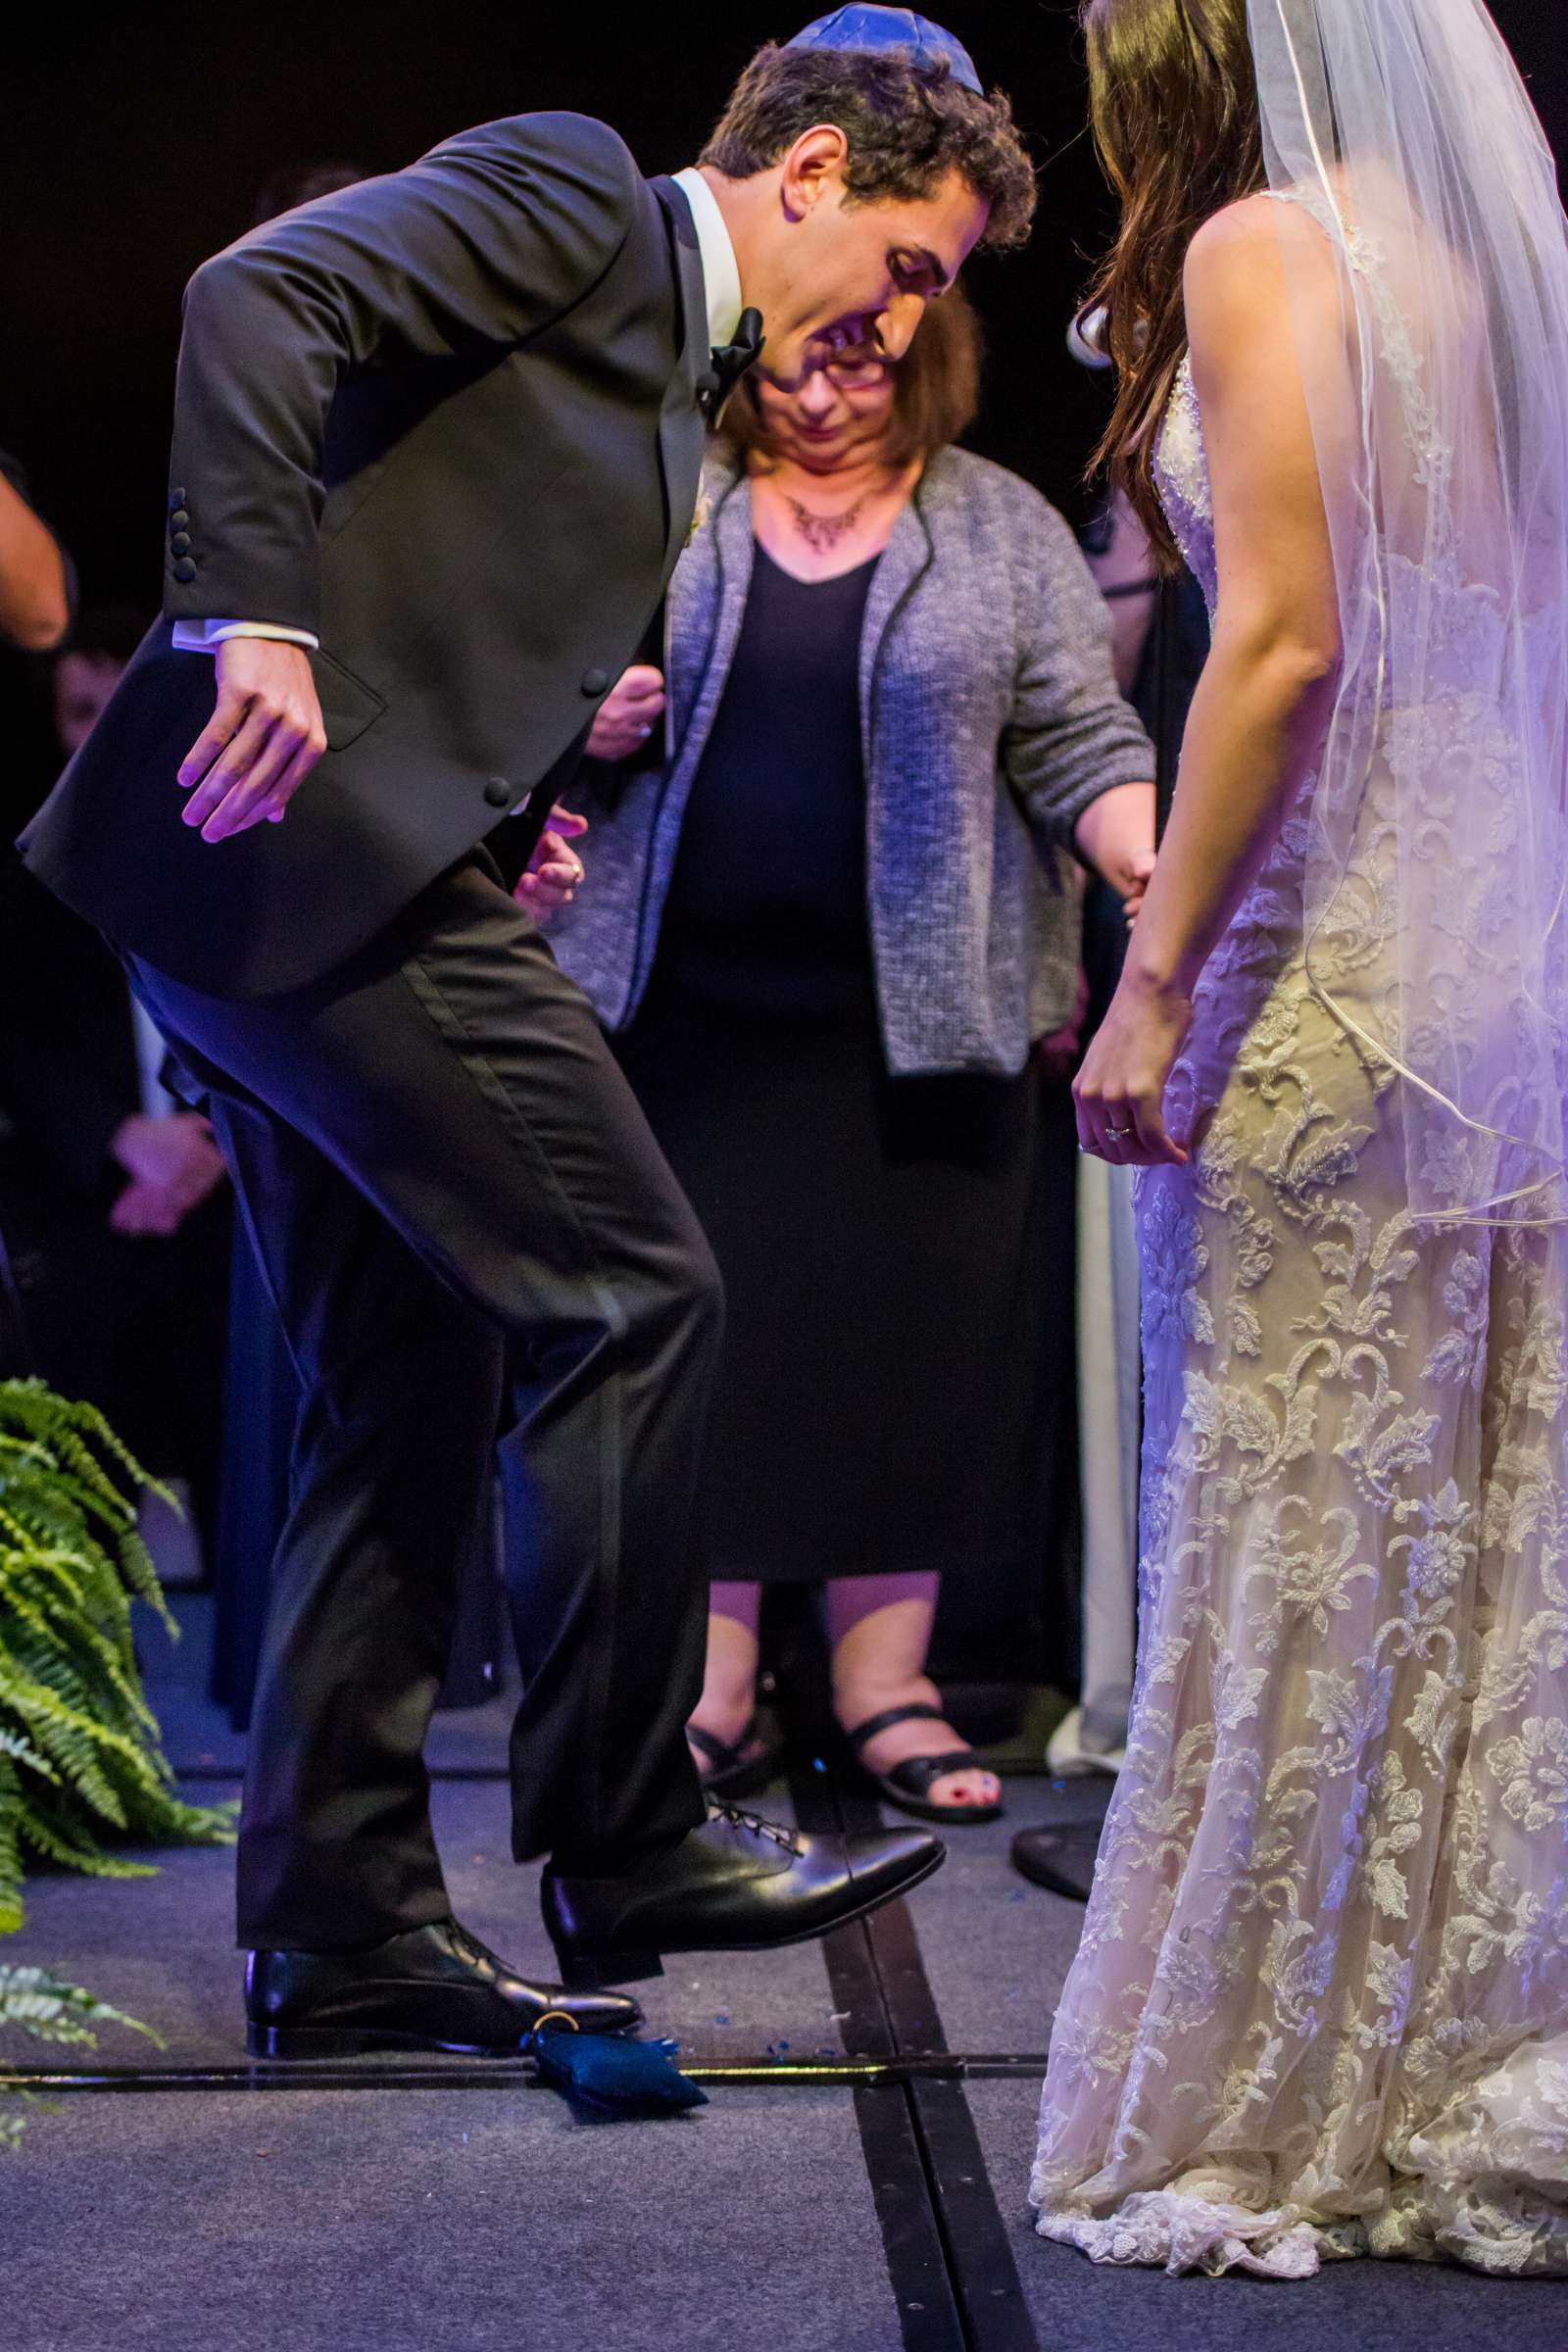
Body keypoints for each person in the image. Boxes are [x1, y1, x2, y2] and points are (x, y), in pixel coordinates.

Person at [19, 13, 1038, 2057]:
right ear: (815, 170)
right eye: (910, 263)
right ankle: (626, 1822)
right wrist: (260, 623)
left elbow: (451, 568)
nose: (907, 317)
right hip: (292, 854)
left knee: (396, 1390)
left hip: (309, 884)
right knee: (638, 1293)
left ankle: (345, 1934)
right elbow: (256, 291)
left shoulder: (679, 360)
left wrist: (514, 833)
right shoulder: (586, 189)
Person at [1032, 0, 1568, 2279]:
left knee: (1279, 1505)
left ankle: (1273, 2088)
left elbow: (1275, 644)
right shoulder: (1478, 256)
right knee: (1466, 1517)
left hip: (1332, 956)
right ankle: (1462, 2043)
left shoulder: (1263, 246)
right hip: (1501, 962)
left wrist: (1155, 969)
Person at [551, 289, 1153, 1823]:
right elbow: (527, 687)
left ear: (928, 359)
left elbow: (1080, 738)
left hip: (925, 1024)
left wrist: (1154, 872)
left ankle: (890, 1692)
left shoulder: (1000, 525)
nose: (828, 397)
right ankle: (714, 1693)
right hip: (683, 1019)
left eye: (866, 366)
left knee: (912, 1349)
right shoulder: (661, 490)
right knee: (711, 1346)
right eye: (805, 364)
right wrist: (585, 720)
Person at [0, 607, 231, 1554]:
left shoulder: (238, 840)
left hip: (237, 1179)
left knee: (256, 1462)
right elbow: (12, 1038)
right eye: (76, 713)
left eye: (116, 709)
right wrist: (124, 1141)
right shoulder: (22, 870)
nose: (95, 737)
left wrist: (211, 1143)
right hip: (90, 1187)